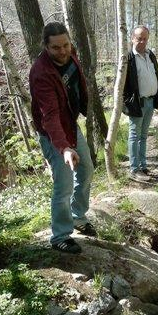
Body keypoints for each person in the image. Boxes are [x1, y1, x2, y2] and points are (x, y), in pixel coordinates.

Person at [29, 22, 96, 254]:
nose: (63, 51)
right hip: (53, 133)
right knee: (64, 184)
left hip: (70, 123)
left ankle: (78, 216)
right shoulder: (41, 73)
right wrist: (64, 148)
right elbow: (49, 117)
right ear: (45, 47)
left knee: (87, 169)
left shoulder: (71, 53)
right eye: (56, 47)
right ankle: (60, 236)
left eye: (66, 45)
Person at [123, 25, 158, 181]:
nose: (142, 41)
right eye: (139, 38)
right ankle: (134, 169)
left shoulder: (150, 55)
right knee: (134, 136)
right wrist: (127, 103)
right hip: (137, 103)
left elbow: (156, 76)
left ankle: (143, 165)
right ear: (133, 38)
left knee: (143, 136)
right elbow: (122, 84)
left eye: (145, 38)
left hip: (150, 101)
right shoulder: (128, 57)